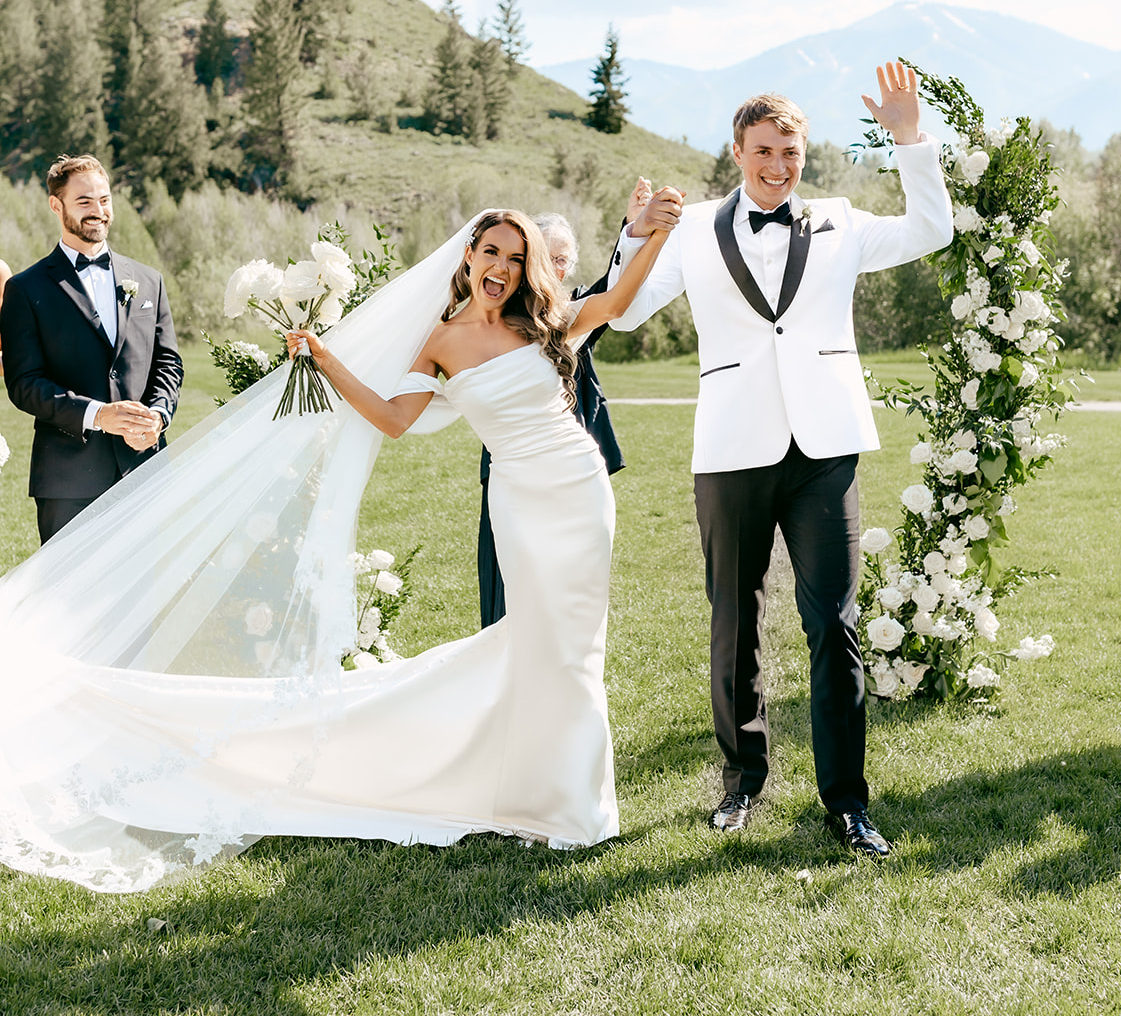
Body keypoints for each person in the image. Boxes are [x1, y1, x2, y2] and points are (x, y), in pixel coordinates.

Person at [0, 200, 679, 892]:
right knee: (542, 641)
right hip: (520, 501)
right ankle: (547, 801)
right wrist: (324, 360)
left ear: (527, 266)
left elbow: (619, 301)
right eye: (491, 253)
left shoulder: (546, 322)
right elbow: (392, 418)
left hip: (579, 490)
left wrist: (655, 233)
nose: (500, 267)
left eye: (514, 256)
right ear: (468, 258)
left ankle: (568, 805)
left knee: (575, 645)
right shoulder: (441, 340)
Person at [607, 63, 952, 857]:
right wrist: (632, 236)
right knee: (736, 620)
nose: (778, 166)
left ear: (805, 155)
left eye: (790, 153)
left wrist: (909, 138)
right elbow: (623, 320)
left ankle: (847, 804)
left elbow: (930, 231)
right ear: (737, 151)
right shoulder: (688, 228)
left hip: (825, 450)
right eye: (765, 151)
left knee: (834, 621)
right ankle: (742, 782)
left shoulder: (839, 221)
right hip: (731, 448)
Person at [475, 193, 650, 628]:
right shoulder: (496, 320)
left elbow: (611, 294)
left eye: (565, 262)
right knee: (507, 592)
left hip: (571, 475)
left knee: (566, 598)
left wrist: (634, 232)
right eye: (548, 257)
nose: (557, 270)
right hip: (512, 472)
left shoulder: (571, 316)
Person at [0, 154, 183, 543]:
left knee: (144, 596)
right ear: (56, 204)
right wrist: (98, 415)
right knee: (68, 601)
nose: (97, 211)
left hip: (143, 469)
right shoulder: (26, 289)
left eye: (104, 199)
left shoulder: (150, 281)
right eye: (84, 201)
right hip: (67, 483)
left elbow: (168, 362)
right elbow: (24, 384)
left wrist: (158, 416)